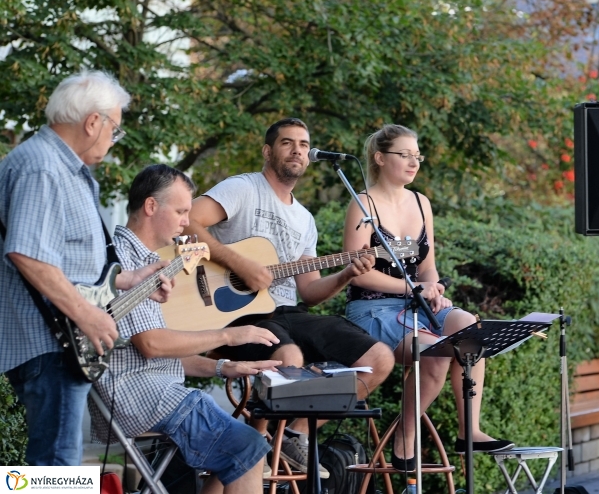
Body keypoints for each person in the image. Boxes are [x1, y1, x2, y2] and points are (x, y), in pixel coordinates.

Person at [185, 117, 394, 476]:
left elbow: (309, 292)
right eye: (287, 143)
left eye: (303, 144)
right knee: (289, 355)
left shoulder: (304, 219)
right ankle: (256, 445)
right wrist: (240, 264)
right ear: (268, 151)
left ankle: (293, 436)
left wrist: (346, 273)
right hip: (234, 311)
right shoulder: (243, 188)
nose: (297, 149)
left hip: (289, 312)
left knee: (380, 358)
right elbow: (187, 220)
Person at [0, 71, 173, 466]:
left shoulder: (63, 168)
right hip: (51, 339)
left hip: (57, 338)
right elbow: (27, 254)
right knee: (56, 467)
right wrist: (88, 316)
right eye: (115, 129)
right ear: (93, 122)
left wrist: (128, 279)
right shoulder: (43, 167)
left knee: (59, 464)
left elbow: (66, 262)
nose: (114, 139)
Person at [90, 164, 283, 492]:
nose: (185, 221)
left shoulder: (145, 257)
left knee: (238, 451)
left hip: (146, 390)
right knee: (248, 448)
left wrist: (224, 365)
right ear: (151, 207)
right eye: (181, 211)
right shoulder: (127, 260)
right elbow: (152, 345)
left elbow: (159, 353)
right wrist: (229, 335)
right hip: (134, 395)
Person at [342, 124, 513, 471]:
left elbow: (427, 266)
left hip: (414, 306)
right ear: (379, 157)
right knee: (433, 353)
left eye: (417, 155)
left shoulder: (421, 203)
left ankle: (470, 430)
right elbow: (356, 269)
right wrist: (412, 289)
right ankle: (404, 436)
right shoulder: (363, 204)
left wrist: (432, 290)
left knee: (467, 326)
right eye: (404, 155)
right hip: (372, 309)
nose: (413, 162)